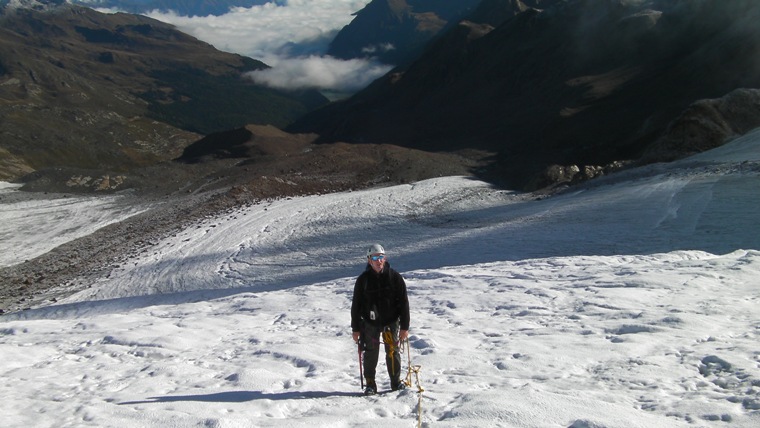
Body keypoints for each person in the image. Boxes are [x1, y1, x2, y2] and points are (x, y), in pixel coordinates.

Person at [351, 243, 410, 395]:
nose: (378, 261)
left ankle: (395, 382)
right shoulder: (363, 280)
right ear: (369, 260)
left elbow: (404, 302)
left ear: (385, 258)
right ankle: (370, 383)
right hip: (370, 323)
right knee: (370, 352)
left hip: (391, 321)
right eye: (375, 258)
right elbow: (356, 305)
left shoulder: (395, 278)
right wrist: (355, 329)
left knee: (392, 351)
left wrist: (405, 327)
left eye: (381, 257)